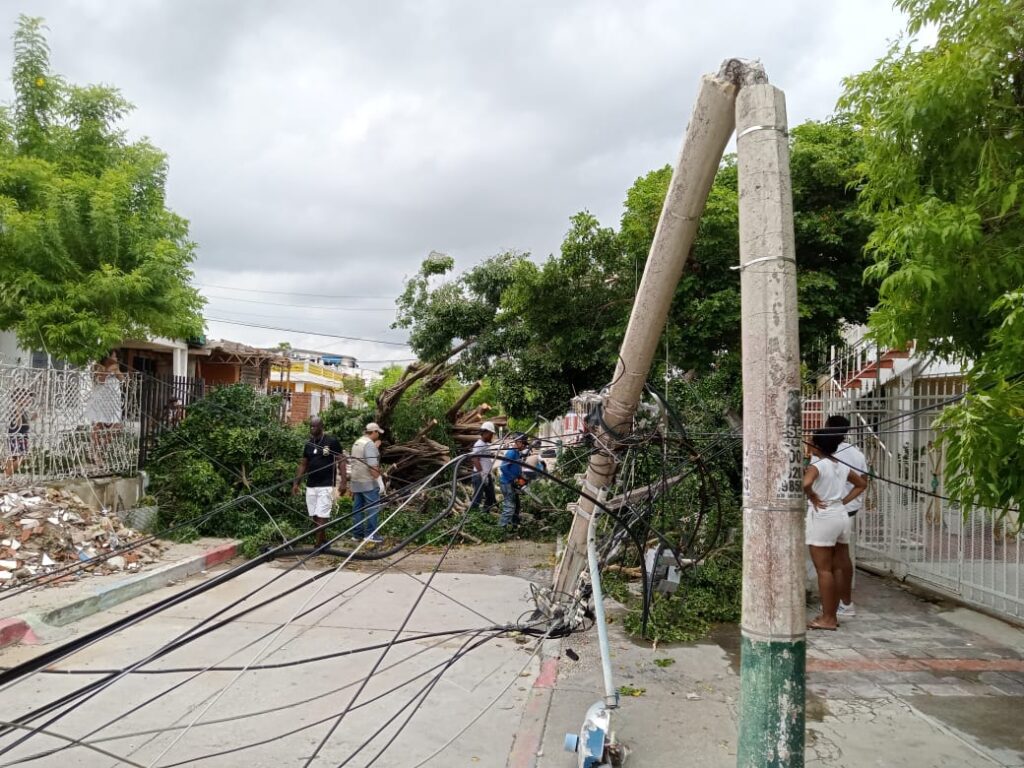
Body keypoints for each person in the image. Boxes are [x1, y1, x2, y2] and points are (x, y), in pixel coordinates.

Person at [804, 428, 868, 631]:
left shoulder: (817, 466)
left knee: (824, 569)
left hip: (823, 516)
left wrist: (812, 496)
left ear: (817, 446)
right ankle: (838, 609)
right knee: (839, 564)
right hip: (840, 514)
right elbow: (861, 484)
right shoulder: (840, 465)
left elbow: (805, 483)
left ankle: (828, 618)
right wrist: (843, 501)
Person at [825, 414, 869, 617]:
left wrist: (840, 502)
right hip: (850, 509)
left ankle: (838, 604)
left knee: (832, 559)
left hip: (833, 509)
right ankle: (844, 602)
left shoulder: (829, 451)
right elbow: (864, 481)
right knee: (842, 556)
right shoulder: (856, 453)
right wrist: (846, 501)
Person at [291, 416, 346, 547]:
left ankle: (317, 546)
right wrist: (296, 483)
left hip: (326, 484)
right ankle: (323, 541)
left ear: (321, 427)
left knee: (322, 515)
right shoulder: (309, 444)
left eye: (314, 426)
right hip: (311, 484)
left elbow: (341, 461)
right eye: (311, 426)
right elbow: (303, 464)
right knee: (315, 515)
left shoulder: (331, 441)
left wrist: (344, 482)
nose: (312, 428)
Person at [85, 351, 125, 465]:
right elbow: (100, 380)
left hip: (113, 402)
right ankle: (96, 455)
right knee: (98, 427)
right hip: (100, 402)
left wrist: (117, 371)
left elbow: (123, 379)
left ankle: (97, 449)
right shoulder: (97, 366)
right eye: (114, 356)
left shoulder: (116, 367)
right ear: (107, 357)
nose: (116, 358)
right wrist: (108, 371)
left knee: (117, 427)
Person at [350, 422, 385, 542]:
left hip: (356, 481)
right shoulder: (369, 445)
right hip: (368, 482)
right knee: (373, 507)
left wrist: (375, 448)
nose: (379, 435)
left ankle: (357, 534)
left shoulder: (358, 442)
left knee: (358, 508)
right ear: (374, 432)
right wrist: (379, 480)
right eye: (378, 432)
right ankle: (371, 534)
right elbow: (372, 466)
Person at [498, 433, 530, 532]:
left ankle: (514, 525)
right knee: (509, 506)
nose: (524, 446)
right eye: (524, 444)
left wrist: (521, 477)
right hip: (507, 483)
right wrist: (514, 478)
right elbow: (503, 467)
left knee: (516, 505)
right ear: (518, 442)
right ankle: (501, 529)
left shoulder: (517, 453)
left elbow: (516, 467)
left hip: (512, 482)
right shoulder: (511, 453)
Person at [5, 389, 35, 478]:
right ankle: (6, 476)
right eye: (26, 398)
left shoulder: (22, 409)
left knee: (14, 457)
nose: (29, 399)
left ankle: (7, 477)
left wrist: (32, 418)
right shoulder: (16, 409)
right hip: (17, 436)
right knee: (20, 457)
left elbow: (24, 423)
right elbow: (18, 424)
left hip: (21, 436)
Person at [469, 421, 497, 511]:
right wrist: (482, 474)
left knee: (491, 496)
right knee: (477, 498)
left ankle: (485, 513)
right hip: (479, 475)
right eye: (491, 434)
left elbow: (485, 458)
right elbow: (475, 459)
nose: (492, 436)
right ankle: (472, 514)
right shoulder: (478, 444)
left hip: (486, 475)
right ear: (485, 433)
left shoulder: (486, 444)